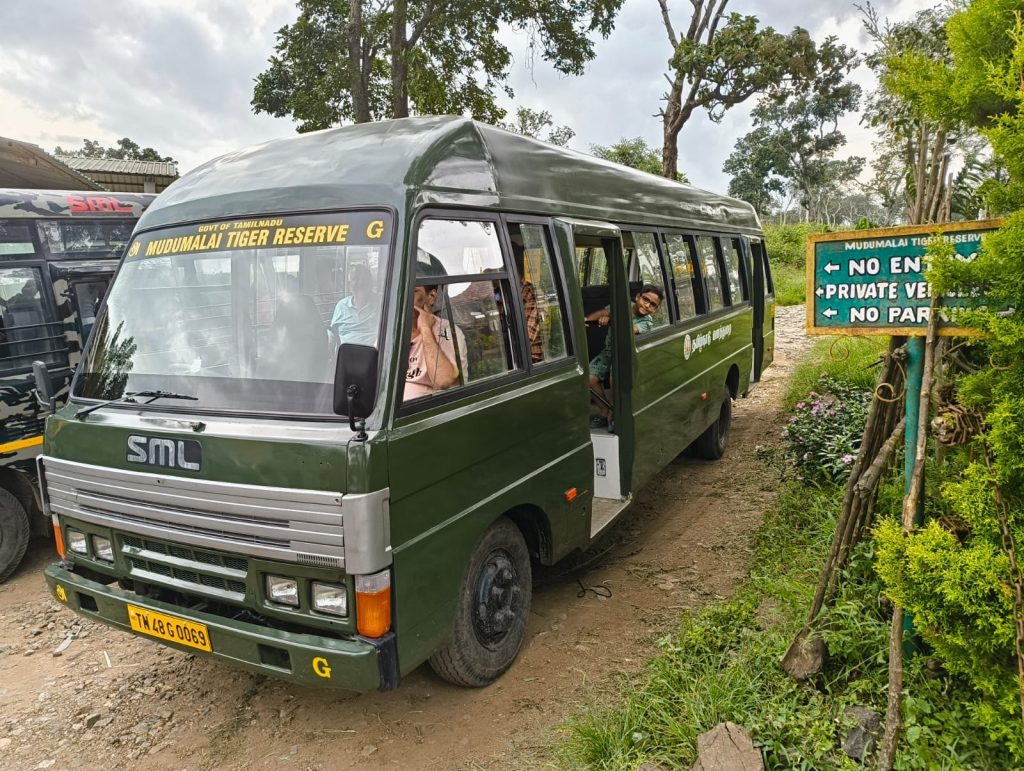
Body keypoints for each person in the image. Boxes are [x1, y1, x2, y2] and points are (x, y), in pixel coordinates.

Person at [586, 283, 664, 428]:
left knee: (615, 384)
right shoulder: (622, 306)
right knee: (589, 379)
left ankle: (614, 417)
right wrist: (588, 319)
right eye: (645, 300)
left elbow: (629, 329)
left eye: (652, 305)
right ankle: (604, 411)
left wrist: (610, 320)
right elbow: (603, 312)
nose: (647, 305)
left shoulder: (647, 322)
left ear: (655, 310)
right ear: (637, 297)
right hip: (609, 351)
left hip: (625, 355)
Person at [405, 283, 468, 401]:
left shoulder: (447, 330)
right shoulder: (394, 332)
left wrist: (425, 329)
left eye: (412, 291)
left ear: (431, 296)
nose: (403, 298)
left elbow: (444, 381)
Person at [330, 264, 380, 346]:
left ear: (371, 283)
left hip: (373, 356)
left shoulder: (381, 305)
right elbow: (332, 333)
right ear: (349, 285)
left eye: (363, 279)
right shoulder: (341, 305)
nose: (360, 283)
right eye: (355, 279)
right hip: (344, 356)